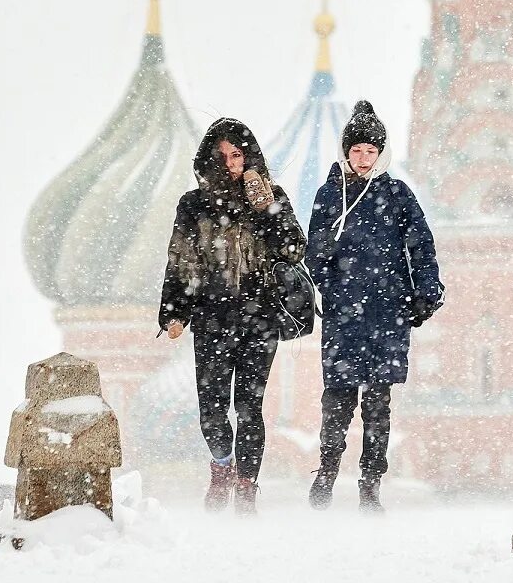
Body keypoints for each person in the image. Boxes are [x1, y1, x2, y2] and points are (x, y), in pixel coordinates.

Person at [158, 118, 306, 515]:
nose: (230, 163)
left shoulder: (271, 198)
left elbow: (294, 249)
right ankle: (222, 465)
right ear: (209, 160)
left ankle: (246, 486)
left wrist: (266, 205)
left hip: (261, 317)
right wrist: (174, 311)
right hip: (212, 317)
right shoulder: (194, 204)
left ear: (249, 157)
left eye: (236, 155)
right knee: (211, 408)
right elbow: (181, 259)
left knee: (249, 408)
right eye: (221, 156)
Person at [305, 100, 444, 512]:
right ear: (346, 152)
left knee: (378, 404)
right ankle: (327, 473)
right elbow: (313, 254)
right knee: (338, 399)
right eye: (357, 151)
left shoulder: (397, 194)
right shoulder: (330, 194)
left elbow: (421, 244)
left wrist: (426, 289)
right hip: (344, 314)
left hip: (387, 311)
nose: (364, 159)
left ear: (381, 153)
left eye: (371, 151)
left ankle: (370, 484)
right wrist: (328, 277)